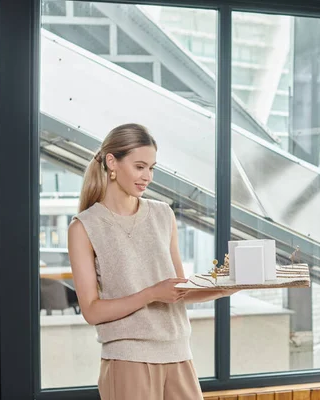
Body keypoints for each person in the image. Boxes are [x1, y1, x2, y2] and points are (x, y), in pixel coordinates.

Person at [67, 123, 237, 399]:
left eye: (151, 168)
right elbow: (92, 311)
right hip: (128, 361)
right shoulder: (84, 227)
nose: (147, 176)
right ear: (112, 162)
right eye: (139, 166)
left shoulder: (162, 214)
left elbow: (178, 292)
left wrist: (228, 287)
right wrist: (151, 294)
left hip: (179, 354)